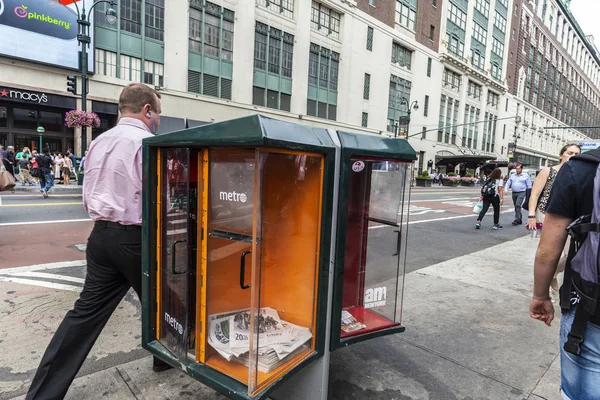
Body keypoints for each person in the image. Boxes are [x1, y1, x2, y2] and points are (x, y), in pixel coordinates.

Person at [26, 83, 168, 400]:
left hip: (101, 237)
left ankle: (42, 395)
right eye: (157, 112)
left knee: (84, 316)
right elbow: (160, 197)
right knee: (164, 301)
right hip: (136, 239)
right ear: (147, 110)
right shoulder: (147, 143)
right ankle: (166, 357)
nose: (157, 118)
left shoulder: (99, 142)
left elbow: (88, 192)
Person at [529, 147, 600, 400]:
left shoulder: (580, 169)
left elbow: (547, 252)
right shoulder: (555, 170)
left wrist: (540, 295)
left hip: (590, 311)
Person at [526, 144, 581, 299]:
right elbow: (535, 195)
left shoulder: (578, 174)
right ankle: (543, 287)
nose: (573, 156)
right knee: (549, 251)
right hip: (545, 213)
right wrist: (531, 216)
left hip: (570, 216)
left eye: (577, 153)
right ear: (561, 155)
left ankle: (553, 274)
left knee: (568, 254)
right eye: (570, 152)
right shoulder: (548, 171)